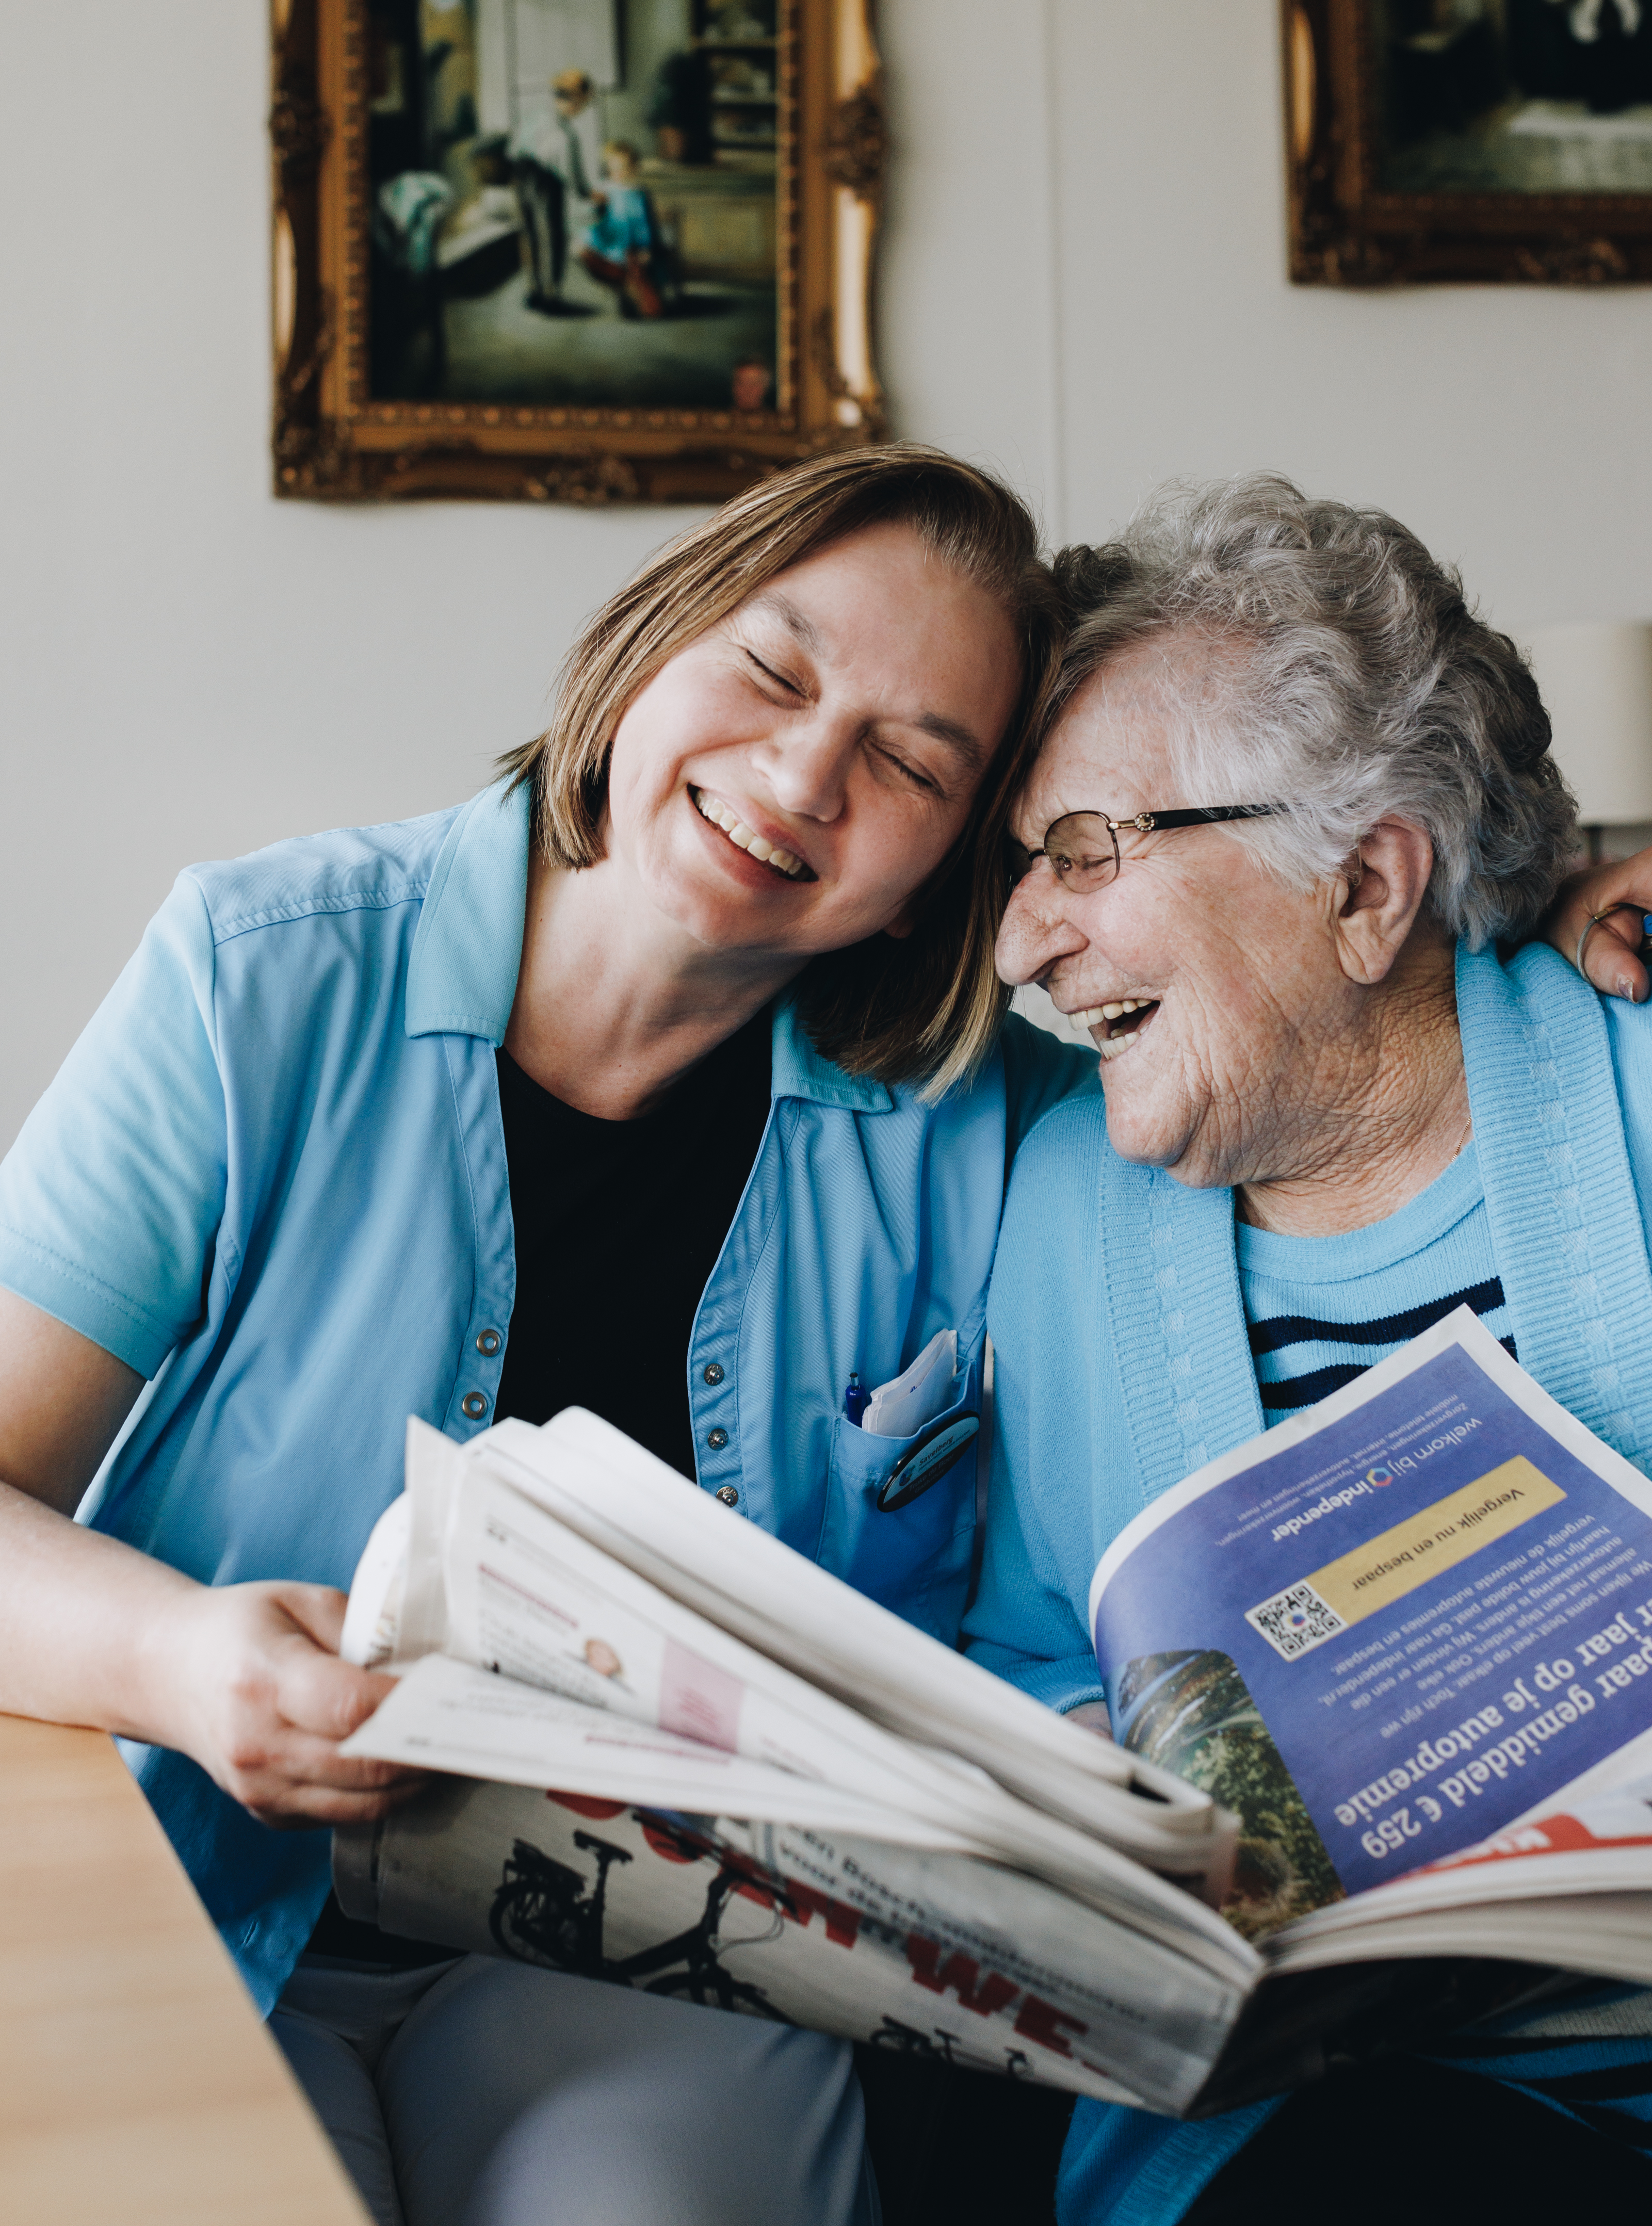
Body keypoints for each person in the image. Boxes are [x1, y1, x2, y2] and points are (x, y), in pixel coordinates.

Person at [0, 443, 1102, 2226]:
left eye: (911, 763)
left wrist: (1550, 916)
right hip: (194, 1879)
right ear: (650, 645)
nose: (802, 772)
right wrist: (189, 1666)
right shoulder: (254, 975)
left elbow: (1278, 1047)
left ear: (943, 873)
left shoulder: (993, 1122)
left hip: (649, 1962)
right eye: (773, 667)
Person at [968, 475, 1652, 2224]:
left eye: (1087, 852)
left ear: (1363, 885)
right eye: (1023, 863)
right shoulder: (1049, 1203)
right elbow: (1037, 1652)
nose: (1025, 939)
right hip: (1294, 2131)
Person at [511, 67, 601, 314]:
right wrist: (587, 194)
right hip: (546, 181)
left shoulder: (534, 116)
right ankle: (550, 294)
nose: (582, 110)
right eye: (583, 104)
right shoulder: (565, 133)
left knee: (530, 235)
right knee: (553, 237)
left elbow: (514, 148)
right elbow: (574, 173)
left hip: (520, 176)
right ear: (574, 99)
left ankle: (534, 291)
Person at [577, 139, 665, 318]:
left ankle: (637, 294)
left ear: (634, 168)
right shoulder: (603, 189)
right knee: (583, 252)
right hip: (609, 245)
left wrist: (645, 247)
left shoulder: (638, 193)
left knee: (652, 308)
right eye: (614, 168)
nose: (619, 173)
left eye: (624, 167)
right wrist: (594, 206)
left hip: (632, 247)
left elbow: (644, 225)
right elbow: (590, 218)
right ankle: (625, 286)